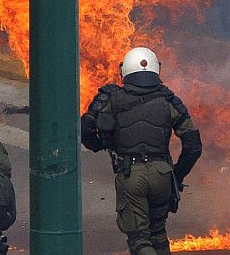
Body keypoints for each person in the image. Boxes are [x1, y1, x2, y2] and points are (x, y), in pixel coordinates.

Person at [82, 47, 203, 255]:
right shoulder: (169, 100)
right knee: (157, 233)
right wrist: (176, 173)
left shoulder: (111, 97)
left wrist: (101, 144)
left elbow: (85, 129)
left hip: (131, 175)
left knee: (140, 239)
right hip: (162, 174)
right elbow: (193, 145)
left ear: (124, 71)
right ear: (156, 70)